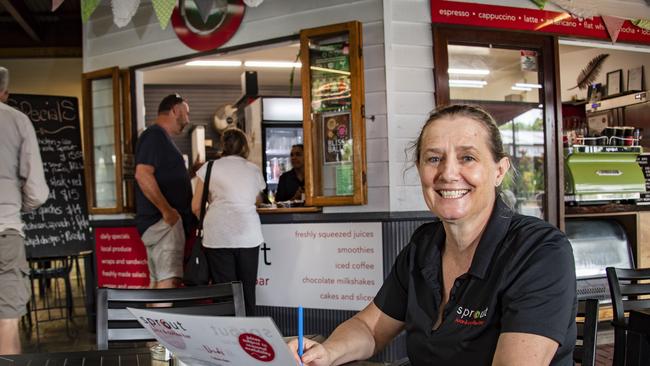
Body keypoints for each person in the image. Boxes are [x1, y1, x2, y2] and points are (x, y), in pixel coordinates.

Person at [289, 105, 577, 366]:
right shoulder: (424, 246)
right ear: (419, 170)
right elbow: (369, 329)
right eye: (434, 158)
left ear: (499, 171)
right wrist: (327, 352)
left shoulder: (539, 250)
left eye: (467, 157)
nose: (448, 173)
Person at [0, 67, 49, 354]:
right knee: (6, 322)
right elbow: (37, 191)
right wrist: (20, 204)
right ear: (4, 92)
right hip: (5, 231)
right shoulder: (17, 120)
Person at [192, 128, 265, 316]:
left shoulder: (208, 168)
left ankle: (226, 339)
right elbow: (257, 201)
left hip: (218, 235)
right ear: (245, 146)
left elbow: (195, 206)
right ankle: (249, 337)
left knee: (225, 293)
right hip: (248, 235)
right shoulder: (253, 169)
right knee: (247, 290)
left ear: (222, 146)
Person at [135, 94, 195, 289]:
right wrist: (167, 211)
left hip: (162, 223)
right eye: (186, 114)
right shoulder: (155, 136)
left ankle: (152, 320)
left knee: (158, 282)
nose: (188, 120)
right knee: (169, 282)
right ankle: (164, 321)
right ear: (174, 111)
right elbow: (142, 175)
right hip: (163, 224)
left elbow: (160, 174)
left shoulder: (159, 138)